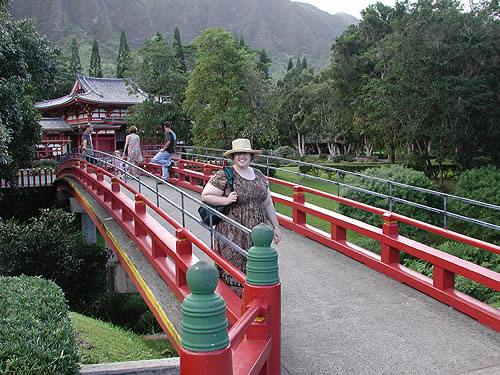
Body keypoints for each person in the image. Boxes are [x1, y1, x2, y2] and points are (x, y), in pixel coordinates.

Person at [201, 138, 281, 296]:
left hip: (257, 233)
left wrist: (276, 227)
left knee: (255, 265)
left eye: (245, 153)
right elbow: (206, 195)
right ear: (233, 157)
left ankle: (255, 299)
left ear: (251, 156)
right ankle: (234, 304)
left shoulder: (259, 176)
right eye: (238, 154)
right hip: (232, 233)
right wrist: (225, 200)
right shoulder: (224, 174)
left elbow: (268, 204)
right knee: (233, 267)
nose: (241, 156)